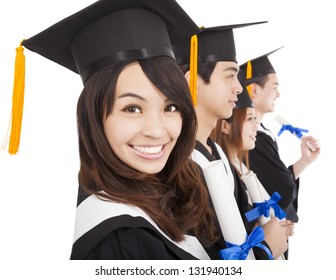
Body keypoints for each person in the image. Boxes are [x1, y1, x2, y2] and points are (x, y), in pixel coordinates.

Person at [17, 0, 219, 260]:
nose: (157, 131)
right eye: (132, 108)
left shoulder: (173, 189)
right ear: (94, 118)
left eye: (170, 107)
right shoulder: (121, 240)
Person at [173, 23, 289, 259]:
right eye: (230, 75)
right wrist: (265, 251)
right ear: (190, 81)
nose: (239, 88)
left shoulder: (215, 151)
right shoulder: (177, 164)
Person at [238, 49, 320, 258]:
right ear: (254, 90)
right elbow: (281, 188)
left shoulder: (260, 133)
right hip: (261, 236)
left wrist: (303, 162)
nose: (278, 94)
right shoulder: (251, 138)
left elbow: (276, 183)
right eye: (274, 87)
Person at [210, 84, 293, 259]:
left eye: (256, 119)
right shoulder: (217, 172)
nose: (256, 127)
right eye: (249, 119)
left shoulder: (241, 165)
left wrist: (277, 227)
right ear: (225, 126)